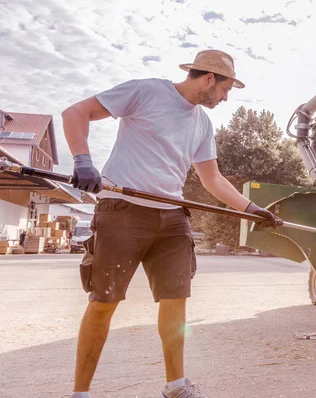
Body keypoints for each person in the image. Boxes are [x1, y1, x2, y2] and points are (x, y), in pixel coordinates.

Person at [62, 49, 283, 398]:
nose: (226, 98)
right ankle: (80, 394)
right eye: (226, 89)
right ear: (209, 79)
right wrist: (82, 161)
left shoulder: (202, 123)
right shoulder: (146, 91)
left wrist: (252, 208)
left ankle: (176, 387)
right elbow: (76, 112)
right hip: (123, 211)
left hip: (172, 217)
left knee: (175, 300)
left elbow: (212, 179)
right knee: (103, 302)